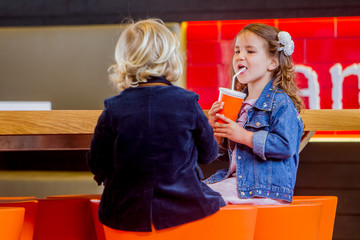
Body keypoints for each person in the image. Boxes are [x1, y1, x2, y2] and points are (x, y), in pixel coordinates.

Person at [87, 18, 225, 232]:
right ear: (171, 60)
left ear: (125, 60)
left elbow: (97, 163)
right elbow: (208, 155)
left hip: (124, 213)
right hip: (183, 208)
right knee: (219, 199)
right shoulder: (188, 102)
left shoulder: (113, 108)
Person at [205, 23, 304, 205]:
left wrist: (244, 136)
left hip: (264, 189)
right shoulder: (239, 103)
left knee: (199, 197)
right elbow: (221, 155)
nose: (240, 57)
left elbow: (286, 146)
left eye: (250, 51)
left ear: (273, 62)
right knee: (190, 192)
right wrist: (214, 130)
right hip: (238, 183)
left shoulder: (281, 103)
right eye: (237, 51)